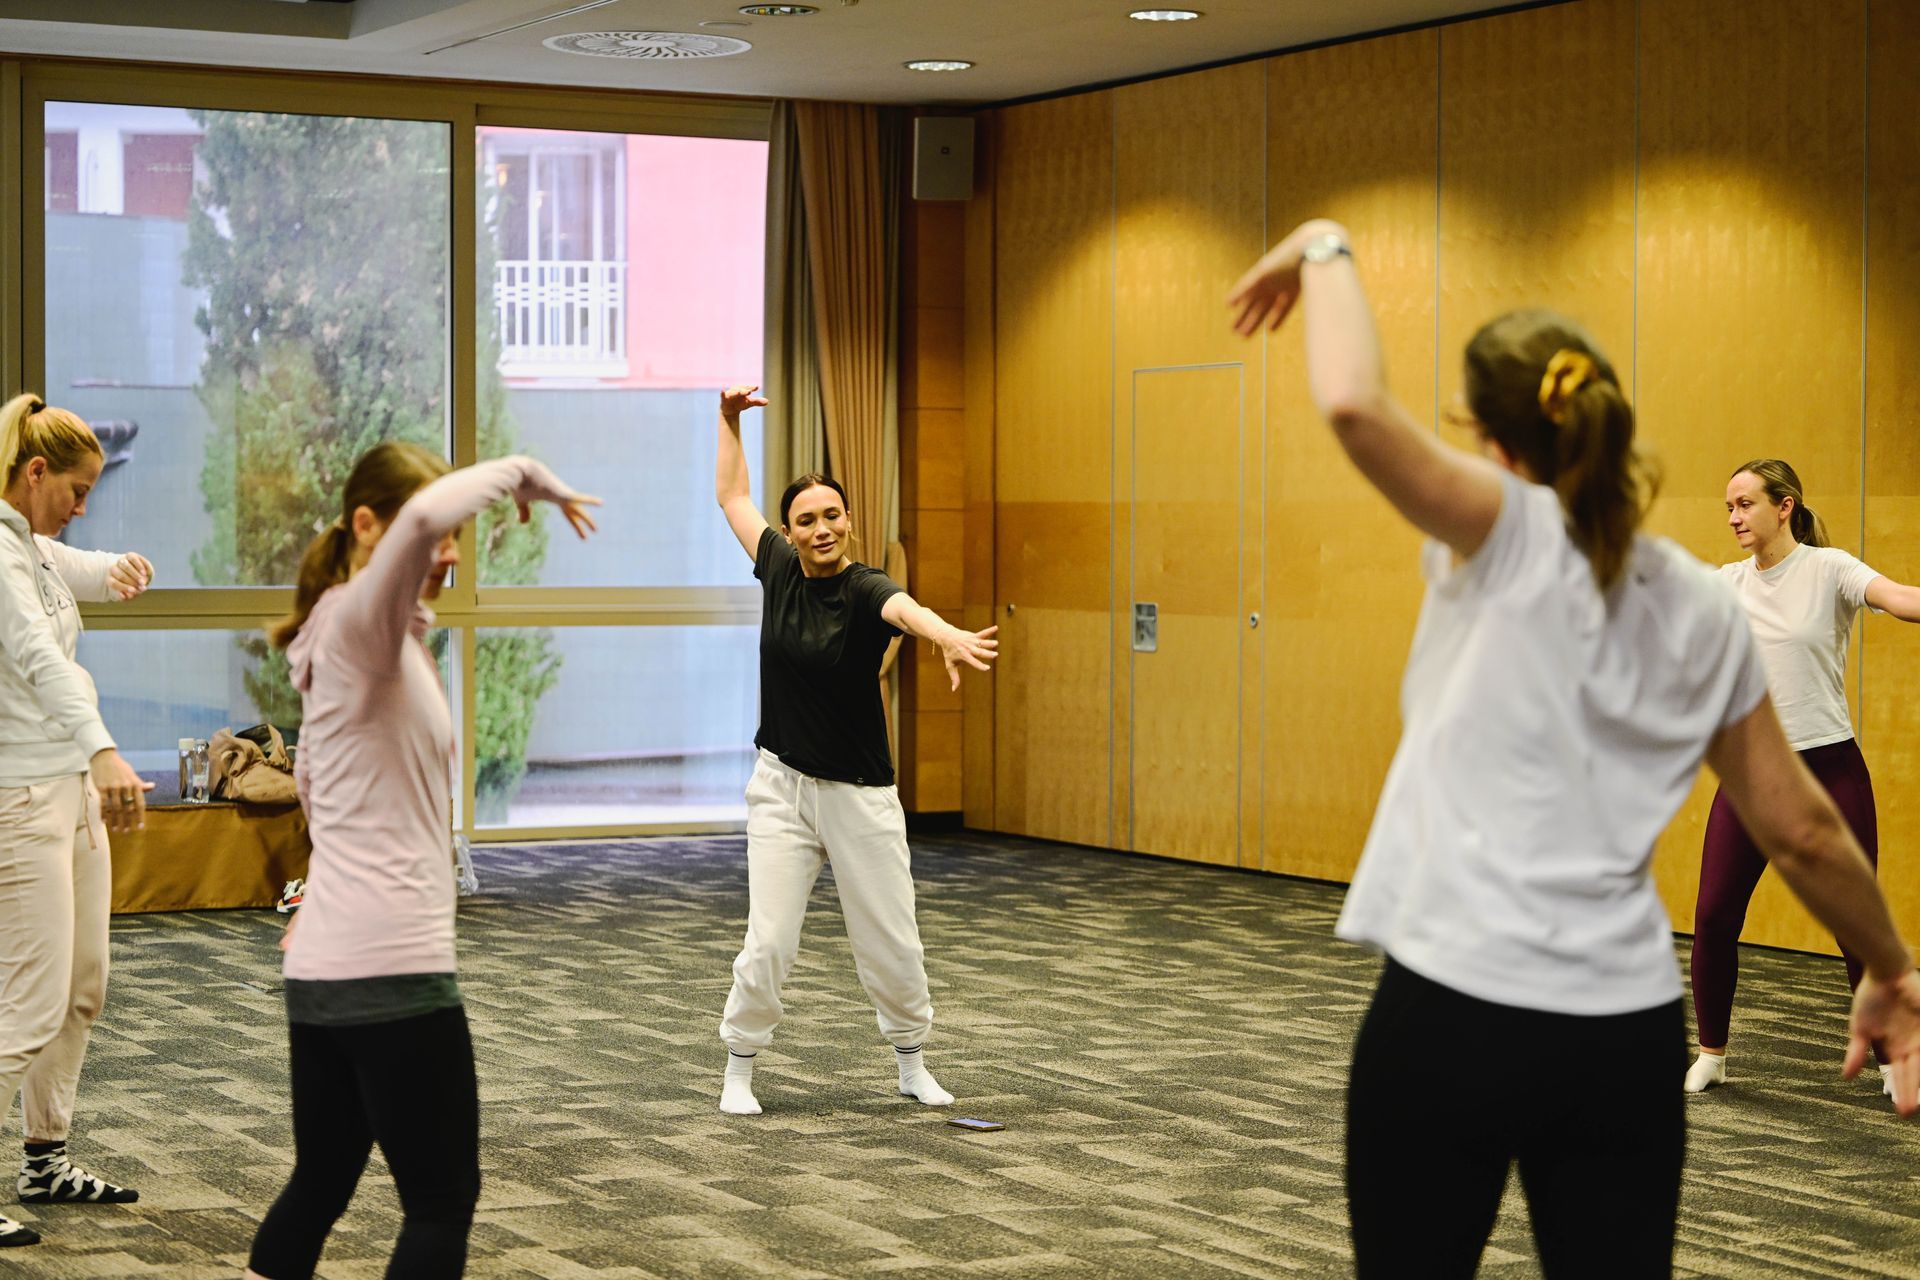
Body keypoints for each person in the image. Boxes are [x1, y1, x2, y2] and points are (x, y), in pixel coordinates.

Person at [1228, 222, 1920, 1278]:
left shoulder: (1501, 534)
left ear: (1492, 442)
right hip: (1620, 1031)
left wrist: (1323, 246)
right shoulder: (1702, 603)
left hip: (1451, 1008)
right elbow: (1806, 831)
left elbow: (1356, 404)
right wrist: (1891, 969)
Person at [243, 445, 598, 1280]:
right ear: (368, 526)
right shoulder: (362, 627)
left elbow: (335, 799)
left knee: (321, 1183)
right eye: (433, 537)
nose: (448, 552)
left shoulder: (356, 637)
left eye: (455, 540)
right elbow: (431, 514)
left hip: (327, 963)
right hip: (391, 964)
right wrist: (526, 473)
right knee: (440, 1201)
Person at [712, 385, 996, 1116]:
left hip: (859, 796)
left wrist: (946, 635)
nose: (821, 528)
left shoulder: (866, 588)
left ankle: (911, 1061)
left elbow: (907, 609)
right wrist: (728, 419)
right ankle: (739, 1068)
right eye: (806, 520)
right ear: (789, 531)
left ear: (850, 522)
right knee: (769, 942)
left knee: (892, 941)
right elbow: (732, 495)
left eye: (832, 515)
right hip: (781, 788)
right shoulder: (777, 568)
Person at [1686, 460, 1920, 1095]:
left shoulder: (1830, 569)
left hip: (1829, 770)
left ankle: (1892, 1059)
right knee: (1713, 916)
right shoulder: (1727, 583)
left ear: (1784, 506)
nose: (1734, 518)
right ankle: (1711, 1052)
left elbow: (1900, 599)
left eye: (1744, 504)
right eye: (1728, 507)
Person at [0, 393, 153, 1249]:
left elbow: (77, 567)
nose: (83, 505)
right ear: (35, 472)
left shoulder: (31, 544)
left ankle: (45, 1159)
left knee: (82, 986)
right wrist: (102, 750)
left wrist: (119, 566)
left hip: (68, 794)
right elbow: (37, 659)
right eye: (77, 489)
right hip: (19, 796)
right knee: (29, 1003)